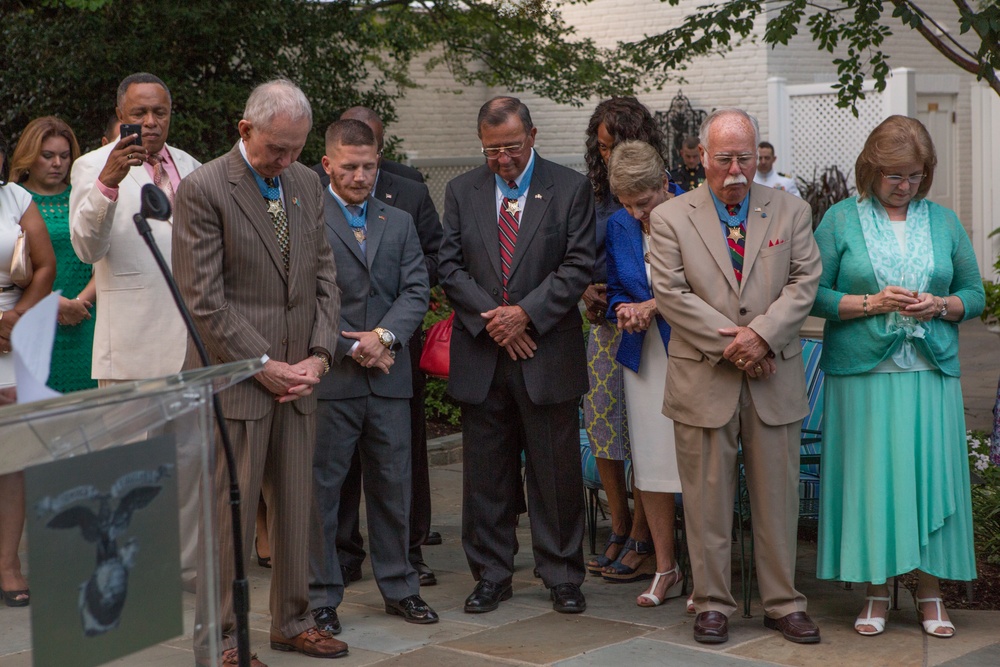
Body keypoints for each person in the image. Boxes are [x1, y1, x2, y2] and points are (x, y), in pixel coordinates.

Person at [173, 79, 345, 666]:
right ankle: (222, 638)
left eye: (298, 148)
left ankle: (293, 620)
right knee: (228, 521)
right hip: (235, 381)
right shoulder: (203, 189)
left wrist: (319, 356)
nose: (288, 160)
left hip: (299, 379)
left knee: (297, 511)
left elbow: (325, 276)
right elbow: (204, 299)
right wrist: (262, 364)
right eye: (277, 148)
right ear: (245, 131)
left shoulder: (303, 182)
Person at [648, 108, 822, 644]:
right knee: (705, 499)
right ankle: (712, 603)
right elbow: (671, 296)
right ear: (703, 158)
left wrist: (762, 336)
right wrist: (739, 346)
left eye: (745, 158)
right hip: (703, 376)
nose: (736, 170)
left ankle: (782, 602)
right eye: (723, 159)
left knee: (777, 497)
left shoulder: (791, 210)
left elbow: (804, 281)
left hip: (774, 378)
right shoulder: (670, 217)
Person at [811, 115, 984, 638]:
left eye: (913, 175)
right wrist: (869, 302)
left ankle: (931, 592)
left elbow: (975, 293)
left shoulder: (945, 222)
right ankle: (876, 591)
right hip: (862, 375)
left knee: (928, 479)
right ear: (871, 169)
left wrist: (943, 304)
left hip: (929, 374)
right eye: (894, 176)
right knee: (872, 484)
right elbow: (810, 294)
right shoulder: (840, 220)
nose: (904, 185)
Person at [438, 96, 595, 615]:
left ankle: (562, 574)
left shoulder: (569, 188)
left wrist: (525, 315)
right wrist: (498, 321)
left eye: (510, 147)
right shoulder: (462, 190)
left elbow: (577, 265)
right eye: (491, 150)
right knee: (486, 476)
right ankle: (491, 574)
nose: (502, 159)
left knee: (555, 473)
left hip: (547, 353)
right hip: (484, 355)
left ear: (532, 136)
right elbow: (450, 266)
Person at [309, 119, 434, 636]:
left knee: (393, 487)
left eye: (369, 165)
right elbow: (303, 298)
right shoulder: (307, 218)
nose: (361, 176)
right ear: (328, 165)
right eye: (350, 166)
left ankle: (400, 587)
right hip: (332, 378)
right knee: (324, 493)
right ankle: (319, 596)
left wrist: (381, 339)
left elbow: (417, 290)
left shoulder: (399, 220)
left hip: (388, 377)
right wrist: (347, 344)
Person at [70, 72, 201, 386]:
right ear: (120, 116)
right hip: (132, 349)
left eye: (160, 112)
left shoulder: (191, 166)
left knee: (191, 438)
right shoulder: (93, 165)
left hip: (193, 346)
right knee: (133, 439)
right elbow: (87, 250)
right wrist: (107, 184)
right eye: (139, 113)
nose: (151, 121)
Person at [580, 97, 663, 584]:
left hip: (651, 322)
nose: (607, 155)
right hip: (604, 321)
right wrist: (583, 288)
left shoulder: (655, 192)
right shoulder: (591, 195)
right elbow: (570, 254)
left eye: (617, 145)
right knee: (605, 425)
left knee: (645, 434)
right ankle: (620, 524)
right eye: (603, 146)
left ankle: (645, 534)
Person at [606, 140, 685, 607]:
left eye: (645, 202)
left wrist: (655, 305)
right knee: (653, 465)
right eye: (626, 204)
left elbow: (709, 287)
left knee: (696, 465)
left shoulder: (696, 212)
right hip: (643, 356)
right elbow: (617, 287)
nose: (637, 213)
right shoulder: (618, 225)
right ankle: (664, 567)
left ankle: (703, 569)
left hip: (690, 354)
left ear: (664, 185)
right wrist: (624, 309)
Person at [0, 129, 57, 607]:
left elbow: (44, 265)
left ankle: (8, 564)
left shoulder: (15, 197)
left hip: (8, 339)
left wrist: (17, 319)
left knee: (13, 459)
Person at [10, 116, 97, 392]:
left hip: (85, 319)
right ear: (29, 156)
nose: (57, 164)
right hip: (29, 318)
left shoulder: (83, 197)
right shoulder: (13, 200)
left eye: (64, 156)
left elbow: (106, 258)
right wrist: (54, 304)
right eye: (47, 156)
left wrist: (79, 303)